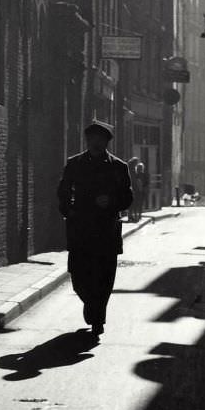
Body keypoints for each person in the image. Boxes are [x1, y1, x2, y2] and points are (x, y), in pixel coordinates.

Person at [57, 120, 133, 337]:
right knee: (78, 277)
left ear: (106, 142)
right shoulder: (75, 164)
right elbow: (63, 191)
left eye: (100, 140)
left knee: (104, 278)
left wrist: (110, 202)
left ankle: (98, 319)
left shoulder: (119, 167)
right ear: (87, 141)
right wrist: (68, 212)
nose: (96, 143)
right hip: (80, 230)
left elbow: (128, 197)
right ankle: (91, 305)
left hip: (106, 231)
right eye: (92, 139)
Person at [127, 157, 142, 222]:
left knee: (131, 202)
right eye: (136, 162)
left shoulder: (130, 168)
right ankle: (130, 216)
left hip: (131, 186)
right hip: (132, 187)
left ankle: (130, 216)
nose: (136, 164)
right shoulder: (132, 169)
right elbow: (133, 179)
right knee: (132, 202)